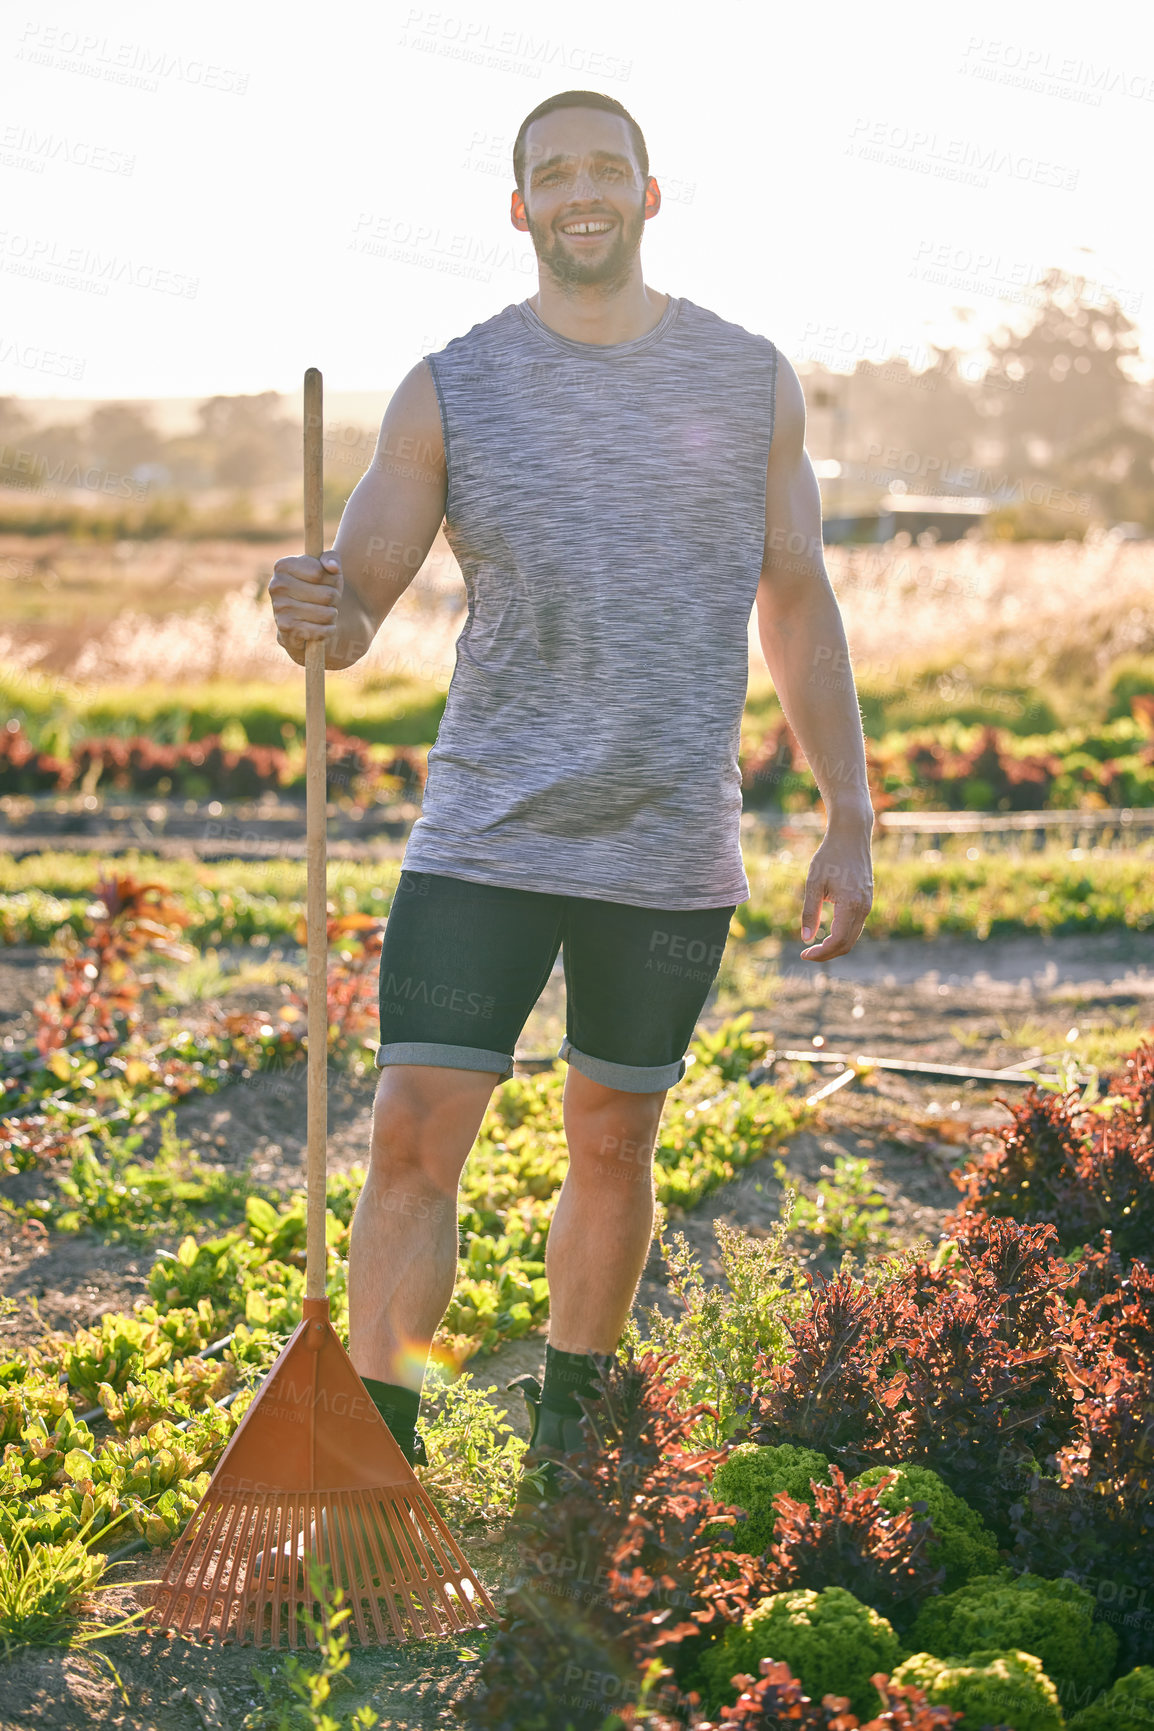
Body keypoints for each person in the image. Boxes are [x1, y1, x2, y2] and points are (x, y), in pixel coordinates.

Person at [267, 89, 874, 1483]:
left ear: (650, 196)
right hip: (485, 830)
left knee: (611, 1143)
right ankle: (379, 1462)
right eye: (553, 173)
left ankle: (570, 1447)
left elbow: (795, 598)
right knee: (413, 1142)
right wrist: (315, 609)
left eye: (606, 168)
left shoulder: (744, 378)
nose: (580, 191)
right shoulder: (452, 385)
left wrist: (847, 815)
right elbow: (354, 609)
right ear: (518, 207)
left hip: (666, 843)